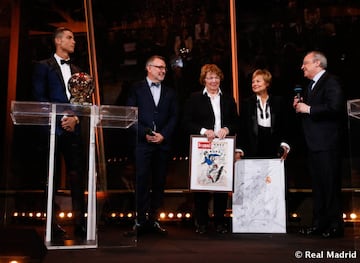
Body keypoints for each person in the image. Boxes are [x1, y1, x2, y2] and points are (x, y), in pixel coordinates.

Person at [32, 27, 86, 239]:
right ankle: (51, 224)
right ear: (58, 41)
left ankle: (80, 222)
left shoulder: (78, 70)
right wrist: (62, 118)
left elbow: (81, 102)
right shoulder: (42, 67)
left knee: (77, 177)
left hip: (73, 130)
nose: (74, 41)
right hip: (52, 130)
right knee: (51, 177)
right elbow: (39, 97)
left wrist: (75, 118)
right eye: (70, 38)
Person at [182, 64, 239, 234]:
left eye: (216, 77)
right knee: (202, 186)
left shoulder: (228, 99)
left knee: (221, 184)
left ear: (220, 78)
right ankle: (202, 223)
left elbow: (236, 122)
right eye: (210, 78)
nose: (213, 81)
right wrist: (203, 131)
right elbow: (185, 122)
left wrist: (227, 129)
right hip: (202, 146)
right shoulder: (194, 98)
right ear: (204, 80)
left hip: (223, 147)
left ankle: (220, 222)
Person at [293, 51, 344, 238]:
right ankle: (319, 223)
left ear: (317, 63)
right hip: (313, 144)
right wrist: (300, 108)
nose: (302, 67)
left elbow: (335, 107)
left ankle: (335, 225)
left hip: (327, 144)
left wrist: (309, 108)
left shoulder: (331, 81)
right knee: (319, 187)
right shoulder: (310, 85)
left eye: (305, 63)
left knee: (330, 186)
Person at [126, 55, 178, 235]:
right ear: (149, 68)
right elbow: (130, 116)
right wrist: (146, 133)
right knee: (141, 182)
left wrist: (163, 135)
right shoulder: (136, 88)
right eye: (159, 67)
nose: (163, 70)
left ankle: (153, 220)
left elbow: (174, 117)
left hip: (162, 144)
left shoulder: (170, 92)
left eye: (164, 68)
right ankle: (140, 221)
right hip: (143, 144)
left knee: (159, 182)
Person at [236, 69, 290, 160]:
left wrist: (284, 145)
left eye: (258, 81)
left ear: (267, 83)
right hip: (253, 148)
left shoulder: (278, 102)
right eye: (253, 82)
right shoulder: (247, 103)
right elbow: (242, 129)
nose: (254, 84)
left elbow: (285, 125)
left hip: (275, 147)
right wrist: (239, 149)